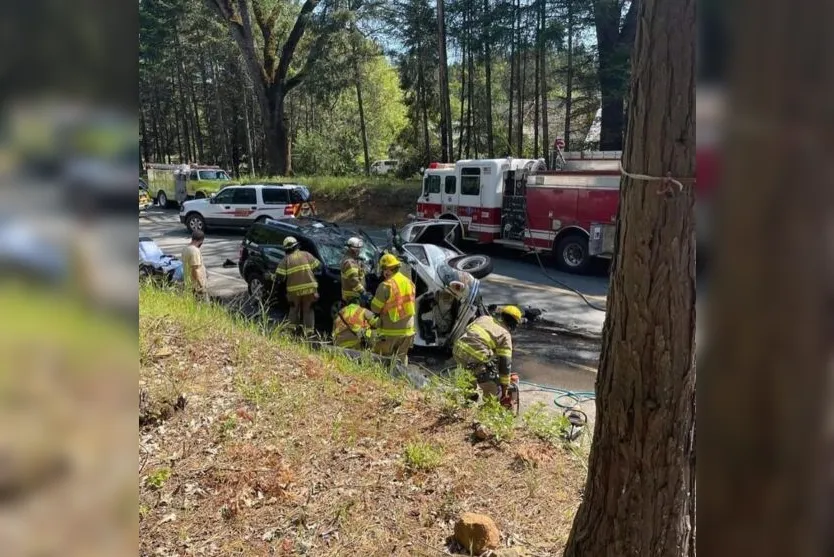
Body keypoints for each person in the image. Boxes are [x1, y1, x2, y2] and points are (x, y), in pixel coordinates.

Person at [452, 305, 523, 401]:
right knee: (492, 389)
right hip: (476, 357)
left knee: (468, 376)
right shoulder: (505, 335)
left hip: (458, 350)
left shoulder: (485, 318)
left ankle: (470, 399)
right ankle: (488, 409)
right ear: (514, 324)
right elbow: (505, 364)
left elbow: (469, 330)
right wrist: (504, 388)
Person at [369, 253, 416, 364]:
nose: (383, 272)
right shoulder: (409, 282)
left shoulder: (386, 285)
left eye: (383, 269)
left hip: (391, 331)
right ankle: (401, 380)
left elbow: (375, 308)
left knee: (382, 360)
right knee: (401, 360)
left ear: (387, 270)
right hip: (408, 330)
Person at [274, 236, 320, 331]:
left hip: (294, 291)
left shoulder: (285, 260)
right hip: (310, 289)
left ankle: (292, 331)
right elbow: (318, 267)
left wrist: (269, 276)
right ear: (297, 246)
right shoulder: (306, 255)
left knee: (294, 310)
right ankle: (309, 333)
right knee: (308, 310)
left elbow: (279, 278)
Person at [181, 229, 208, 300]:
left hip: (188, 283)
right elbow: (195, 270)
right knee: (204, 307)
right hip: (196, 287)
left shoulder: (185, 249)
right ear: (201, 240)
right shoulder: (195, 251)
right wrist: (201, 285)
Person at [340, 237, 367, 304]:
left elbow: (359, 274)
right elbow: (353, 280)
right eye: (358, 250)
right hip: (353, 297)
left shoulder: (353, 260)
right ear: (353, 250)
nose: (359, 251)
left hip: (354, 296)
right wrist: (363, 292)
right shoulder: (350, 263)